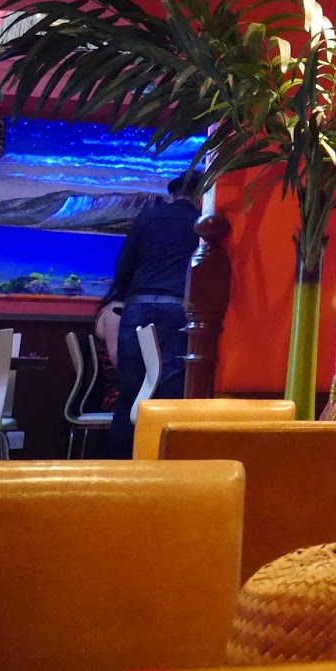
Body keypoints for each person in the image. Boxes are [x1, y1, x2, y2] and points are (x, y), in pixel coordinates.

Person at [107, 171, 205, 458]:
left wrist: (126, 296)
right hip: (177, 310)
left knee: (129, 395)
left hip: (137, 306)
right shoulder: (200, 223)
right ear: (200, 197)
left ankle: (118, 468)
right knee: (170, 396)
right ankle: (161, 468)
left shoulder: (147, 217)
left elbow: (123, 267)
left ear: (172, 195)